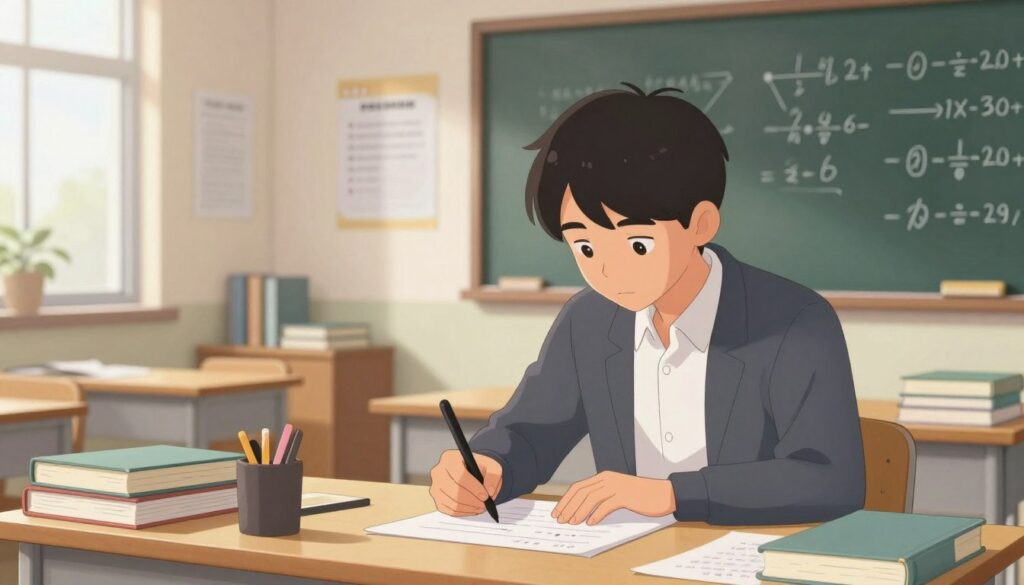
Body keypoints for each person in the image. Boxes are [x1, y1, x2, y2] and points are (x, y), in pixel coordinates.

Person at [429, 82, 865, 526]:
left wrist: (674, 494)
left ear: (701, 224)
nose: (607, 271)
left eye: (638, 244)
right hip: (625, 559)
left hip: (748, 556)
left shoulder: (794, 320)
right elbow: (530, 431)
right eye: (584, 246)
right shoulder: (589, 320)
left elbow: (830, 480)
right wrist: (488, 466)